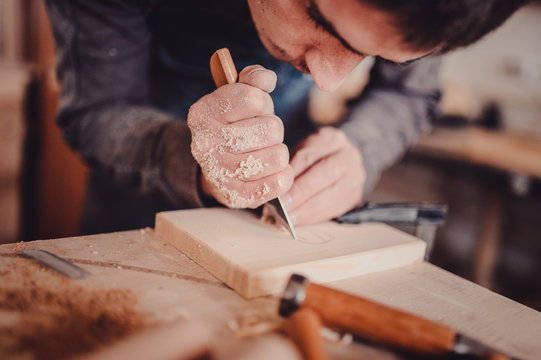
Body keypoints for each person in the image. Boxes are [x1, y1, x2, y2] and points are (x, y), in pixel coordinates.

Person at [45, 0, 528, 235]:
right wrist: (191, 163)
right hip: (138, 213)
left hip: (279, 206)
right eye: (319, 19)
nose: (327, 81)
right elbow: (98, 109)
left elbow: (411, 96)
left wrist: (362, 146)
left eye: (374, 53)